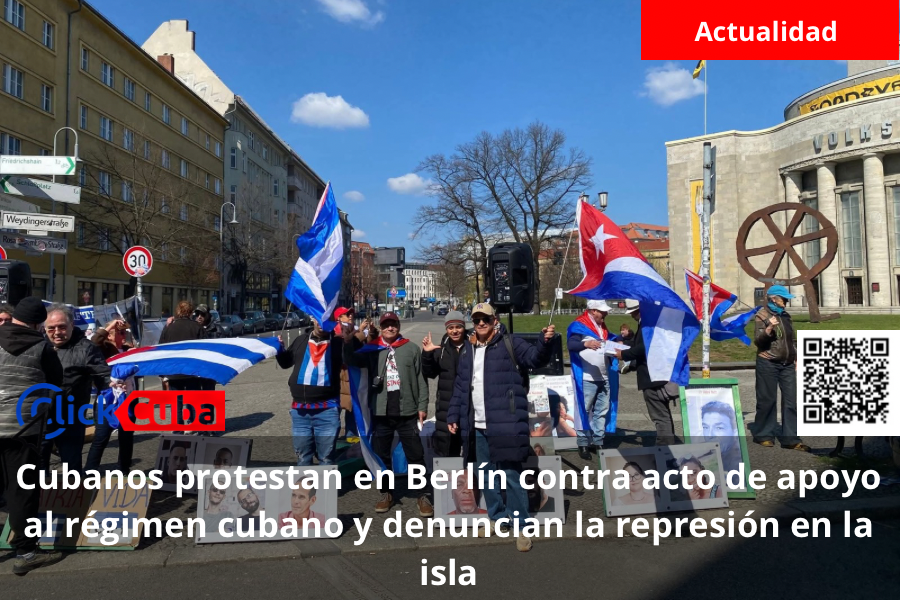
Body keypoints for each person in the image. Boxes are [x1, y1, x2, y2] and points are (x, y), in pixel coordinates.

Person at [447, 302, 555, 552]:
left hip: (505, 421)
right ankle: (497, 517)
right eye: (476, 320)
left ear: (494, 320)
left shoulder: (511, 343)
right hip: (477, 424)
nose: (481, 324)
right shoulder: (468, 349)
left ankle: (522, 525)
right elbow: (461, 385)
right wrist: (454, 414)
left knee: (510, 475)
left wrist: (545, 342)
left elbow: (535, 358)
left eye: (485, 319)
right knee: (485, 474)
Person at [342, 312, 433, 517]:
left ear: (398, 326)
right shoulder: (372, 349)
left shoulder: (411, 349)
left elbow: (421, 380)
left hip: (407, 411)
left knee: (415, 455)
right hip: (381, 412)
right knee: (382, 455)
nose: (390, 328)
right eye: (386, 325)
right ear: (381, 328)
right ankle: (387, 493)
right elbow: (350, 359)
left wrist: (422, 406)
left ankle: (422, 494)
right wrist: (350, 339)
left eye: (393, 325)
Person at [0, 297, 66, 574]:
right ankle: (26, 552)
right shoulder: (41, 347)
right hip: (23, 428)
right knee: (22, 490)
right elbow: (56, 382)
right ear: (38, 324)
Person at [40, 304, 111, 472]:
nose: (57, 332)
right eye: (51, 328)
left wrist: (114, 388)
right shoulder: (39, 347)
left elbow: (103, 376)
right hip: (42, 417)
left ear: (72, 325)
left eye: (62, 327)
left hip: (71, 418)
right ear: (44, 329)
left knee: (71, 466)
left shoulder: (86, 348)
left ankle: (73, 488)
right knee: (38, 465)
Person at [276, 317, 344, 466]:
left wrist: (352, 340)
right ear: (313, 319)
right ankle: (305, 483)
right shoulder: (301, 340)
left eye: (326, 319)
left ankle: (325, 483)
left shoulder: (338, 343)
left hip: (326, 411)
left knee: (326, 459)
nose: (322, 322)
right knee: (303, 459)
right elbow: (286, 363)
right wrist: (279, 349)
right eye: (318, 318)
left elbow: (354, 360)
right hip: (300, 412)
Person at [753, 285, 809, 452]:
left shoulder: (785, 316)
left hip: (787, 364)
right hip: (768, 362)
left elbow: (791, 340)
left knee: (791, 401)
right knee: (767, 400)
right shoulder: (762, 315)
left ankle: (791, 438)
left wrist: (796, 356)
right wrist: (769, 328)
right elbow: (759, 341)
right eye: (784, 299)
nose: (786, 302)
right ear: (773, 299)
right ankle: (764, 435)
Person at [616, 300, 679, 446]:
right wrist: (626, 345)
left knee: (660, 416)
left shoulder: (647, 324)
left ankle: (665, 448)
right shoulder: (652, 321)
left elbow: (644, 347)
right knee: (663, 414)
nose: (631, 315)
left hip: (652, 377)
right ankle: (668, 443)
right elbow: (640, 344)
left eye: (633, 312)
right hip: (657, 375)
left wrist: (624, 354)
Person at [567, 299, 614, 459]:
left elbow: (609, 341)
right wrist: (586, 344)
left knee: (602, 410)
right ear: (593, 311)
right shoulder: (578, 325)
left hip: (604, 376)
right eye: (602, 311)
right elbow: (571, 345)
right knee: (584, 410)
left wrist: (621, 339)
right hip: (586, 377)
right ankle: (583, 444)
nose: (606, 314)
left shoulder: (602, 327)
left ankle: (598, 441)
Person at [422, 311, 468, 458]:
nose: (454, 331)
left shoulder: (472, 346)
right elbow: (429, 373)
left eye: (458, 327)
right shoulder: (441, 350)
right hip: (446, 408)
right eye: (451, 328)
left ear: (464, 327)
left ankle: (470, 473)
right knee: (448, 450)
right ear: (446, 329)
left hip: (468, 407)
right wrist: (427, 354)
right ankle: (450, 473)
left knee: (470, 449)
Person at [84, 364, 140, 473]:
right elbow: (93, 376)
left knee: (126, 438)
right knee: (101, 437)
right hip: (105, 401)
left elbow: (138, 373)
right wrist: (110, 383)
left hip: (127, 399)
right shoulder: (98, 357)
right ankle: (89, 472)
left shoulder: (132, 358)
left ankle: (123, 470)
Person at [159, 301, 211, 395]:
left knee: (176, 402)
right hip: (192, 372)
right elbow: (205, 350)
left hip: (174, 371)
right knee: (193, 401)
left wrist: (163, 374)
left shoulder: (169, 328)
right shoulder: (197, 327)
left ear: (178, 311)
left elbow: (161, 350)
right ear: (191, 312)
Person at [334, 307, 358, 438]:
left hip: (351, 376)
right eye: (346, 314)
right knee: (335, 409)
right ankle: (332, 440)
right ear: (339, 318)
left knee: (352, 408)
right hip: (339, 378)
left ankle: (351, 438)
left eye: (351, 313)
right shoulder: (336, 332)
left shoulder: (353, 329)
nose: (350, 316)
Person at [701, 401, 742, 475]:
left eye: (719, 428)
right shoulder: (702, 456)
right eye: (706, 427)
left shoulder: (739, 462)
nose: (709, 435)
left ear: (734, 431)